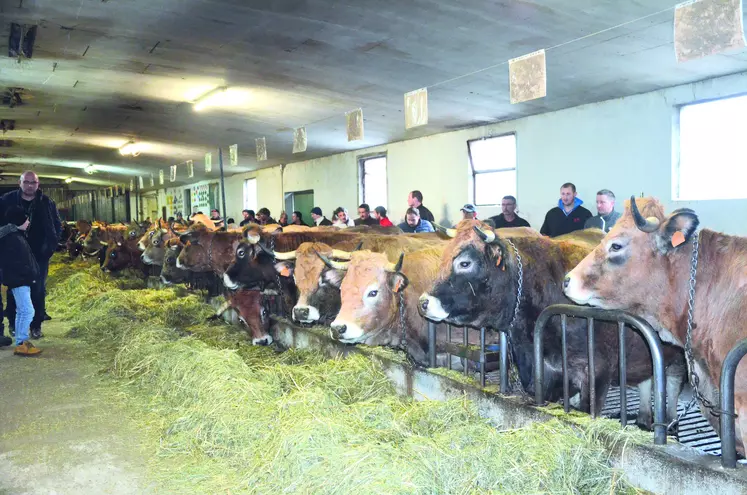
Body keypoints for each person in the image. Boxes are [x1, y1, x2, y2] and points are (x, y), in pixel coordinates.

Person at [1, 171, 61, 339]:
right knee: (14, 290)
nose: (29, 185)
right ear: (20, 183)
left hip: (39, 254)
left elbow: (56, 225)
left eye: (32, 182)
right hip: (14, 254)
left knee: (38, 289)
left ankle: (36, 325)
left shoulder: (47, 202)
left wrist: (50, 247)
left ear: (38, 183)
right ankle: (13, 323)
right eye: (26, 182)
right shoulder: (7, 200)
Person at [0, 206, 41, 355]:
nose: (28, 221)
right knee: (27, 311)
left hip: (19, 278)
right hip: (19, 279)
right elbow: (17, 263)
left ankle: (20, 341)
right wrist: (29, 276)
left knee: (21, 311)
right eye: (26, 218)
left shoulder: (15, 235)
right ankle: (22, 342)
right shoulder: (12, 239)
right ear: (19, 220)